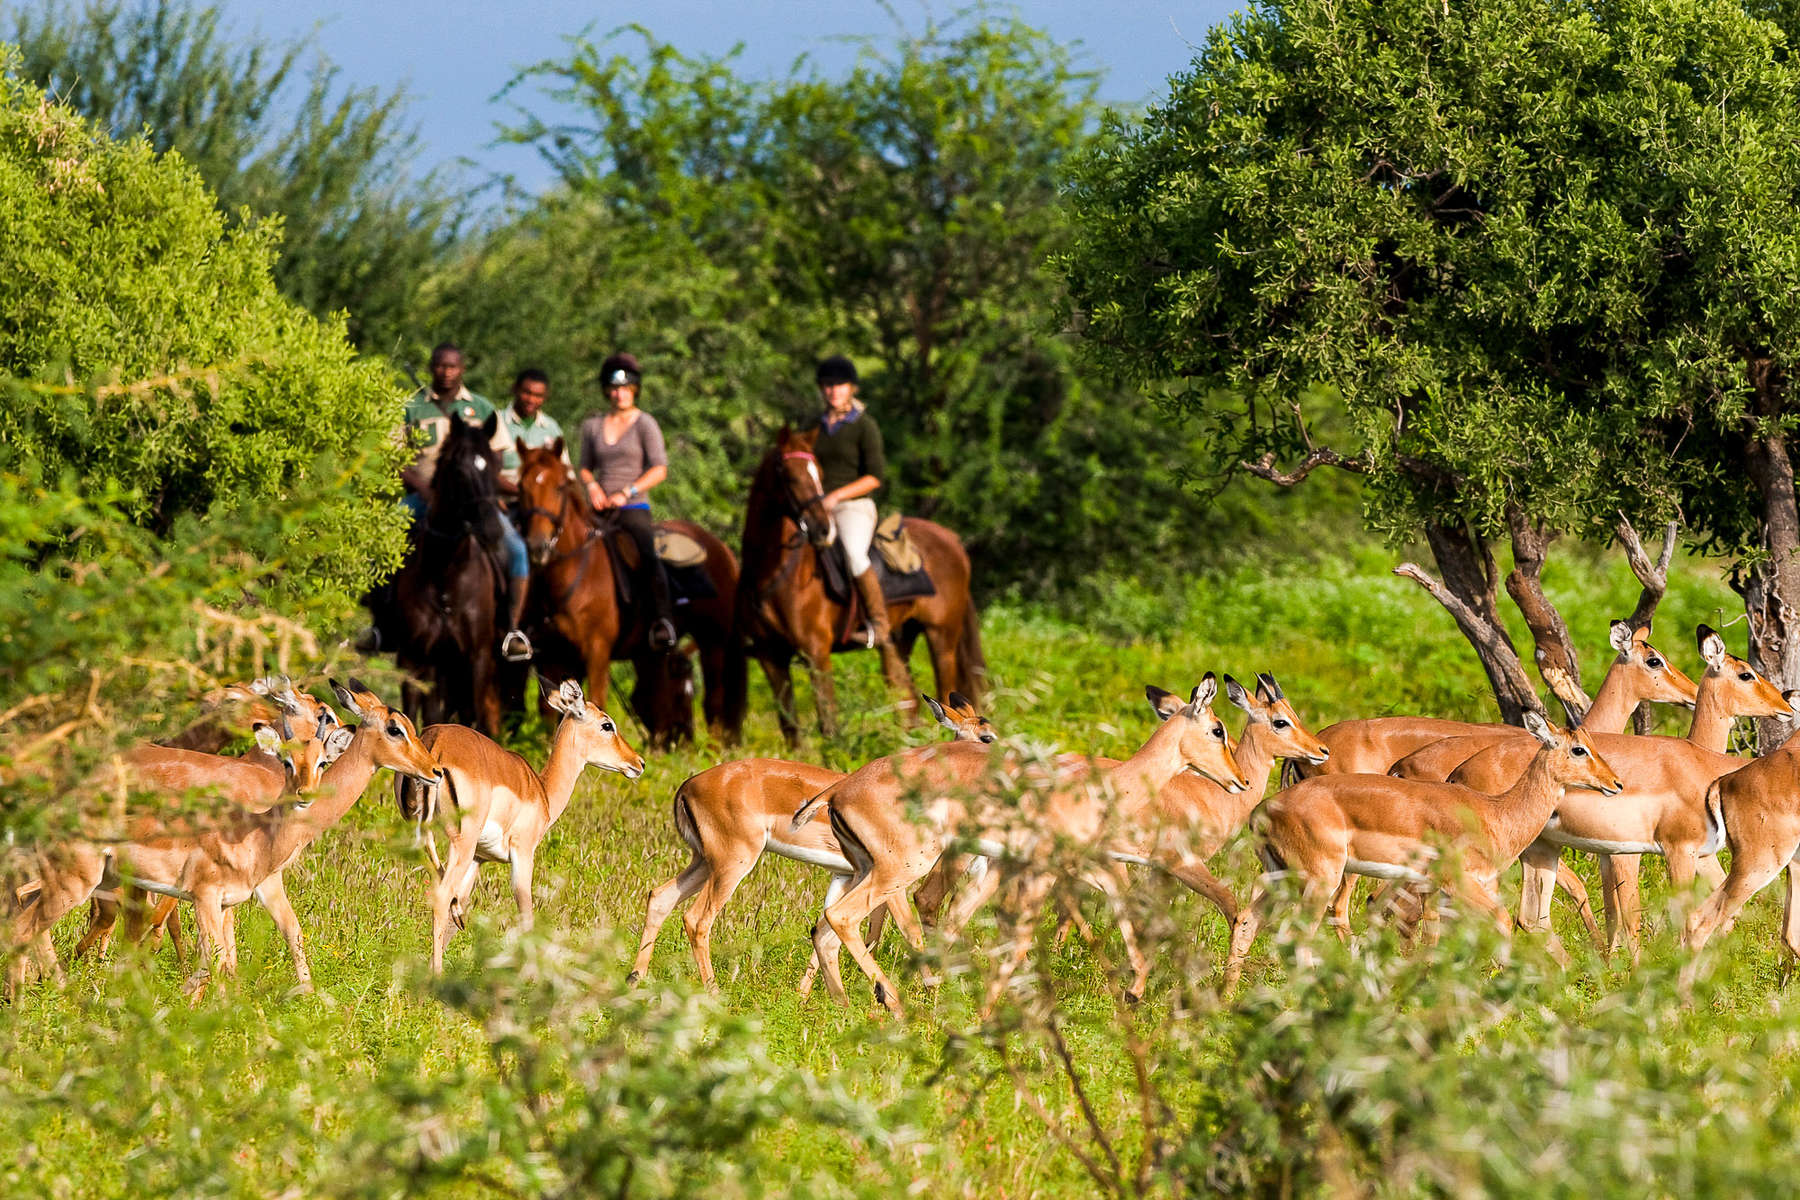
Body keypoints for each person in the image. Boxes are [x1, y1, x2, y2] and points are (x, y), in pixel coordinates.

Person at [401, 342, 535, 662]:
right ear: (431, 367)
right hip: (425, 497)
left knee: (516, 549)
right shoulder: (412, 407)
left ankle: (513, 629)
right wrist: (425, 490)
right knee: (384, 534)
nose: (446, 372)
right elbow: (397, 461)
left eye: (452, 367)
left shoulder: (482, 408)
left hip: (475, 501)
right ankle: (380, 624)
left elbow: (499, 456)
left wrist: (487, 489)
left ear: (462, 369)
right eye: (440, 366)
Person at [810, 354, 907, 687]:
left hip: (855, 505)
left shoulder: (864, 425)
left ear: (851, 388)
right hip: (817, 507)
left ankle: (879, 624)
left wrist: (837, 496)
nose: (833, 391)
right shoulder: (815, 426)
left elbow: (875, 476)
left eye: (839, 385)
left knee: (853, 553)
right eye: (828, 385)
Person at [577, 352, 677, 651]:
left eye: (625, 387)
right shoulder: (592, 426)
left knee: (647, 552)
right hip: (599, 507)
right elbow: (584, 466)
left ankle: (663, 619)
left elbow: (659, 469)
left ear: (634, 390)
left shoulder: (645, 423)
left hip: (632, 507)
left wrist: (627, 492)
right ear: (607, 391)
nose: (619, 393)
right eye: (614, 388)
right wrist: (592, 486)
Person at [497, 367, 569, 491]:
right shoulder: (497, 422)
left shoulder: (551, 428)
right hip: (505, 500)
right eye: (527, 393)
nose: (531, 400)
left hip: (542, 503)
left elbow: (565, 468)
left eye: (538, 396)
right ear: (515, 389)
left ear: (545, 396)